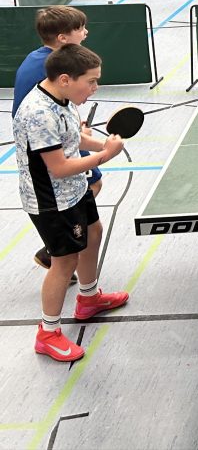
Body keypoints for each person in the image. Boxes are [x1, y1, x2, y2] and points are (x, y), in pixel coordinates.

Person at [13, 44, 130, 362]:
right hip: (51, 200)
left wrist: (102, 143)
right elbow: (60, 167)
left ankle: (88, 299)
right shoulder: (38, 114)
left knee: (94, 232)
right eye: (91, 81)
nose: (96, 87)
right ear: (65, 79)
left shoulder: (62, 98)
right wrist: (105, 155)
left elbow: (74, 138)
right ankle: (47, 333)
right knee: (63, 262)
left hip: (74, 189)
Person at [13, 6, 101, 285]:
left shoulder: (42, 59)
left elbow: (60, 105)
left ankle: (66, 250)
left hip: (60, 135)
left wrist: (73, 125)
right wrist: (102, 152)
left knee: (93, 219)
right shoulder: (48, 69)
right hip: (49, 149)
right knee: (94, 185)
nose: (85, 32)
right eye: (80, 29)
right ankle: (56, 247)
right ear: (62, 38)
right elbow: (37, 118)